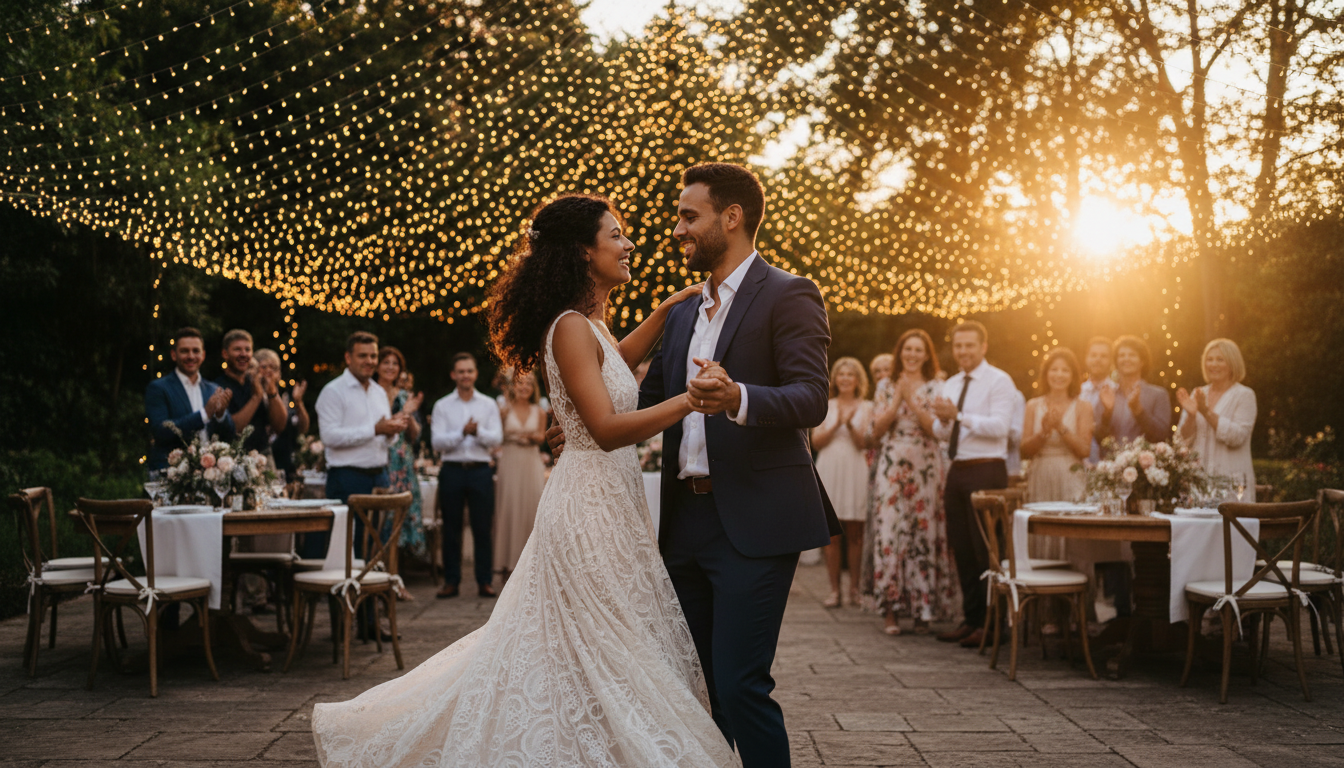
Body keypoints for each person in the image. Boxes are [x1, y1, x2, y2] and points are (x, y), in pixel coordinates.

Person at [312, 193, 732, 766]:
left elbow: (617, 362)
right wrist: (690, 401)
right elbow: (607, 428)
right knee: (600, 635)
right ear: (584, 253)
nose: (629, 243)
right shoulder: (569, 328)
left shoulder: (591, 327)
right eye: (617, 235)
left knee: (594, 636)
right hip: (587, 503)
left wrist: (666, 309)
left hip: (611, 499)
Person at [864, 329, 958, 636]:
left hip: (926, 466)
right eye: (908, 349)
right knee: (891, 532)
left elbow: (937, 431)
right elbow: (874, 432)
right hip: (892, 463)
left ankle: (923, 607)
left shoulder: (936, 386)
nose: (913, 355)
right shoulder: (885, 385)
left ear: (927, 355)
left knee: (923, 532)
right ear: (900, 352)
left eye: (919, 350)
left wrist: (913, 403)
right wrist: (896, 402)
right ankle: (890, 610)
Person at [931, 320, 1016, 649]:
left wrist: (959, 416)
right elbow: (943, 434)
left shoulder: (1000, 381)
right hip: (957, 469)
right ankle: (971, 619)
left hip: (987, 470)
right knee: (962, 549)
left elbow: (1000, 428)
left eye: (969, 345)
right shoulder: (951, 383)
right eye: (958, 346)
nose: (963, 351)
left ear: (983, 346)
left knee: (988, 551)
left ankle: (995, 625)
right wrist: (943, 421)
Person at [306, 332, 412, 561]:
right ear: (348, 357)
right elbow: (330, 437)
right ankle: (346, 594)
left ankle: (371, 595)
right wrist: (375, 429)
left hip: (380, 477)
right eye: (363, 355)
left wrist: (392, 431)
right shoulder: (333, 391)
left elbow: (385, 438)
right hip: (347, 478)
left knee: (375, 545)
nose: (370, 361)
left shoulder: (378, 392)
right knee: (347, 546)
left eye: (373, 356)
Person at [429, 352, 504, 600]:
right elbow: (437, 442)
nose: (465, 375)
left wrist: (477, 431)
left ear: (475, 374)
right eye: (461, 371)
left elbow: (496, 439)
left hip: (481, 470)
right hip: (452, 470)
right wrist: (462, 433)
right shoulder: (442, 405)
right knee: (451, 528)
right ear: (454, 375)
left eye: (469, 371)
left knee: (483, 528)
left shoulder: (487, 404)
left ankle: (484, 581)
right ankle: (451, 581)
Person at [1022, 348, 1094, 561]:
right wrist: (1043, 432)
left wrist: (1061, 427)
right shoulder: (1033, 405)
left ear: (1073, 375)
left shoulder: (1083, 407)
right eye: (1054, 369)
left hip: (1071, 475)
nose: (1059, 375)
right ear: (1046, 374)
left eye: (1065, 370)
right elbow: (1024, 450)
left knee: (1071, 533)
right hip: (1041, 474)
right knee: (1043, 533)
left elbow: (1084, 450)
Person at [812, 357, 872, 609]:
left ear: (858, 380)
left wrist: (851, 424)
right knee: (832, 534)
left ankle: (855, 590)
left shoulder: (868, 407)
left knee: (856, 532)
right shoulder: (825, 405)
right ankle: (834, 590)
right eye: (841, 374)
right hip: (829, 467)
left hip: (855, 467)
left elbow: (864, 444)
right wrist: (837, 422)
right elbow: (816, 442)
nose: (846, 378)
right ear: (835, 379)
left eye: (851, 374)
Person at [1177, 338, 1257, 500]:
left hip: (1232, 484)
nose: (1213, 364)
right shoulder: (1198, 393)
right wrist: (1192, 416)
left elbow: (1237, 437)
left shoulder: (1244, 395)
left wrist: (1206, 412)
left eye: (1220, 360)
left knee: (1231, 525)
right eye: (1209, 359)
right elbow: (1183, 439)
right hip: (1198, 482)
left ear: (1232, 363)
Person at [145, 327, 234, 470]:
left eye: (196, 351)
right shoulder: (158, 388)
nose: (191, 356)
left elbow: (229, 435)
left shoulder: (213, 389)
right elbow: (161, 431)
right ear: (174, 355)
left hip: (210, 475)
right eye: (184, 351)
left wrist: (220, 415)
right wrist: (204, 414)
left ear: (203, 355)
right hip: (171, 473)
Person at [374, 347, 426, 568]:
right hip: (381, 457)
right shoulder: (371, 393)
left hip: (402, 460)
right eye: (386, 362)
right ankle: (380, 569)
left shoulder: (404, 395)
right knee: (381, 518)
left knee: (401, 517)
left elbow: (413, 435)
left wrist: (409, 413)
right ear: (378, 366)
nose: (390, 367)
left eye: (395, 364)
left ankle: (395, 574)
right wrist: (403, 412)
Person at [494, 369, 547, 579]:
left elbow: (542, 436)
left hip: (531, 462)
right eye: (520, 383)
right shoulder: (503, 410)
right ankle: (507, 565)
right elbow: (494, 437)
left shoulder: (540, 411)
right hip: (510, 461)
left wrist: (532, 438)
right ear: (512, 386)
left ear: (533, 388)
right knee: (509, 507)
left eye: (528, 383)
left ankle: (532, 566)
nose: (524, 387)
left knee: (532, 507)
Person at [214, 329, 288, 456]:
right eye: (237, 349)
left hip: (263, 457)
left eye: (247, 350)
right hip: (231, 460)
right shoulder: (217, 387)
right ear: (225, 354)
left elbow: (279, 427)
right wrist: (256, 397)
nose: (243, 354)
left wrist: (272, 393)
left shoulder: (256, 382)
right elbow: (233, 428)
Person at [1095, 335, 1172, 450]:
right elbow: (1098, 439)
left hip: (1146, 465)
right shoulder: (1108, 395)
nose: (1126, 359)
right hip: (1111, 465)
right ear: (1116, 362)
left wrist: (1138, 411)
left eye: (1132, 355)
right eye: (1122, 355)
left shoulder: (1158, 395)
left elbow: (1162, 436)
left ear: (1142, 361)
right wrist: (1107, 413)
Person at [253, 349, 309, 480]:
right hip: (260, 466)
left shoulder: (286, 398)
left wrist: (298, 403)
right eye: (264, 367)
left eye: (274, 368)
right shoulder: (250, 397)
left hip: (286, 467)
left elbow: (303, 428)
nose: (269, 372)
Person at [1079, 336, 1118, 464]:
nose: (1098, 359)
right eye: (1093, 355)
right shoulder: (1076, 392)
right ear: (1086, 358)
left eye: (1103, 356)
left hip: (1110, 462)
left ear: (1111, 361)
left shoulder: (1118, 391)